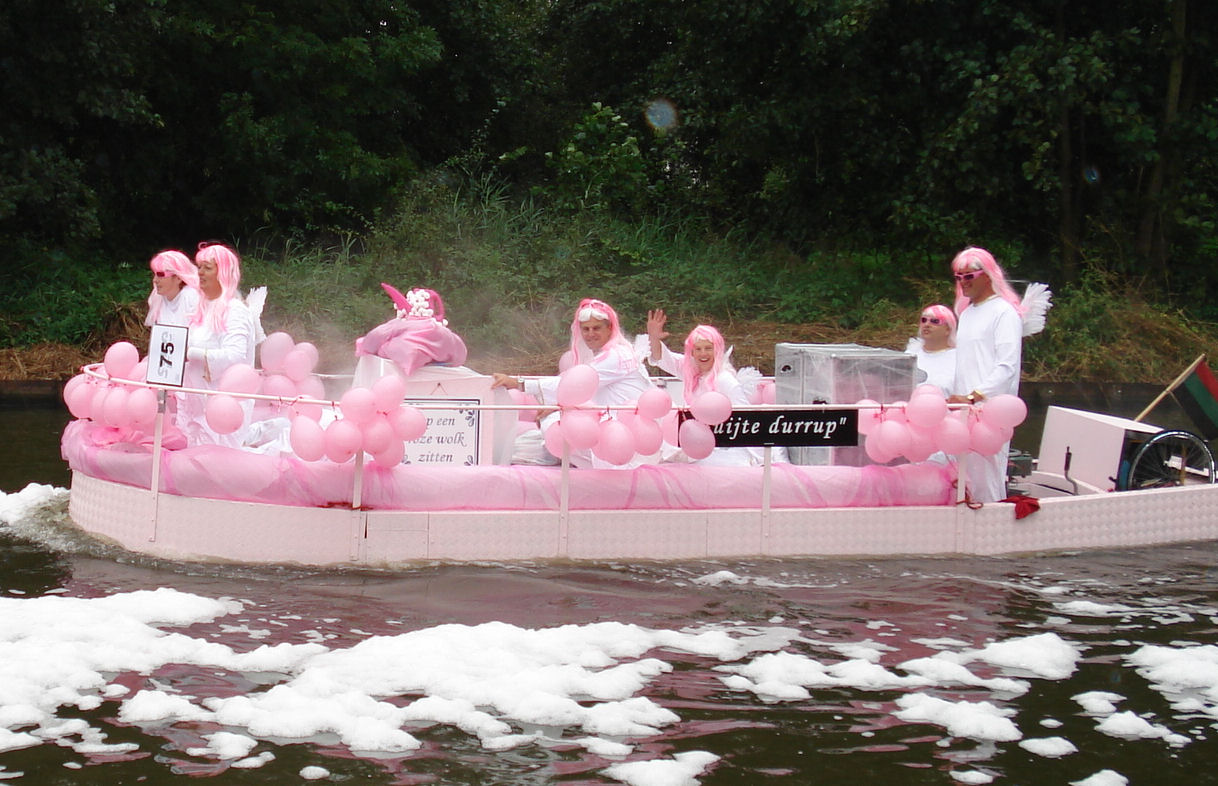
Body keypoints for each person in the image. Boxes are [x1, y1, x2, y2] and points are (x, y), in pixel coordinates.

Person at [492, 298, 653, 466]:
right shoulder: (612, 354)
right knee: (555, 422)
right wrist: (556, 405)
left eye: (596, 328)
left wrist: (519, 383)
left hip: (624, 442)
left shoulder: (616, 356)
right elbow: (580, 389)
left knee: (553, 423)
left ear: (610, 328)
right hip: (618, 432)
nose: (590, 334)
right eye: (586, 329)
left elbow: (573, 386)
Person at [947, 246, 1024, 503]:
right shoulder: (967, 314)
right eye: (959, 277)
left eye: (969, 276)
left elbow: (1006, 366)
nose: (963, 282)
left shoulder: (1004, 312)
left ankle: (995, 520)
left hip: (990, 411)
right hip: (964, 410)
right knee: (965, 477)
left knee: (987, 475)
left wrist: (974, 397)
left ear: (988, 275)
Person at [645, 309, 763, 465]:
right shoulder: (690, 369)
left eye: (708, 348)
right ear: (692, 352)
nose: (703, 354)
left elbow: (746, 418)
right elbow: (663, 358)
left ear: (717, 350)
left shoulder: (725, 380)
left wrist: (758, 458)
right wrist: (653, 337)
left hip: (719, 447)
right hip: (694, 441)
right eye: (698, 349)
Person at [178, 242, 262, 448]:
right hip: (197, 404)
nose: (200, 273)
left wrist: (190, 353)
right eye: (199, 267)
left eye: (207, 268)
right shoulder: (201, 310)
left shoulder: (236, 311)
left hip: (224, 410)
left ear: (223, 273)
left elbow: (235, 356)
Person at [355, 284, 468, 375]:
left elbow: (373, 339)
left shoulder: (401, 324)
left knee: (384, 349)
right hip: (436, 370)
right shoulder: (445, 333)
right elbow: (460, 356)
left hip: (401, 361)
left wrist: (363, 345)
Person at [904, 304, 957, 396]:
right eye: (924, 320)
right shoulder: (909, 356)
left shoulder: (959, 358)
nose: (927, 325)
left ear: (948, 329)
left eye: (935, 321)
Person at [144, 249, 201, 328]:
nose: (155, 280)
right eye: (154, 274)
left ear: (178, 278)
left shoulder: (192, 297)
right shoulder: (157, 299)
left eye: (161, 275)